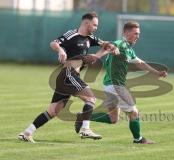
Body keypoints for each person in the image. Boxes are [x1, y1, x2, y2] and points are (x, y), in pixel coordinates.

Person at [18, 12, 119, 143]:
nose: (96, 27)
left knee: (53, 111)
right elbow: (53, 43)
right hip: (68, 75)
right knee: (91, 98)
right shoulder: (72, 35)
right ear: (86, 23)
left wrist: (112, 47)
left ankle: (26, 133)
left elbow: (105, 44)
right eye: (94, 25)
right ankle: (85, 129)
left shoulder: (90, 38)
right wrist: (60, 50)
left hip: (69, 77)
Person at [90, 21, 167, 144]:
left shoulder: (129, 50)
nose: (138, 36)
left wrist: (157, 73)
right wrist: (97, 56)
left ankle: (83, 117)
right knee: (134, 112)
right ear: (126, 32)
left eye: (138, 33)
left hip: (109, 85)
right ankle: (138, 139)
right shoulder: (120, 44)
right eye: (135, 33)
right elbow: (109, 46)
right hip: (116, 86)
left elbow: (141, 63)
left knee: (113, 119)